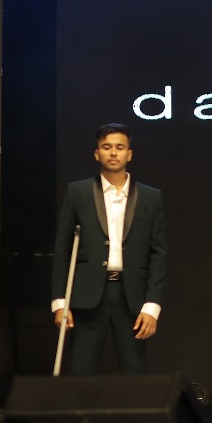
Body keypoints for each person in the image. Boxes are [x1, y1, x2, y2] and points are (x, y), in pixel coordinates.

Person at [51, 122, 167, 374]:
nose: (113, 152)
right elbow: (62, 249)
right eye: (106, 147)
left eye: (119, 147)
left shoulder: (150, 196)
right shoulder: (78, 192)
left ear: (129, 154)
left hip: (131, 297)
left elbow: (158, 253)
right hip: (88, 295)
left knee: (134, 372)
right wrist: (59, 302)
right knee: (80, 371)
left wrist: (152, 306)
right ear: (97, 153)